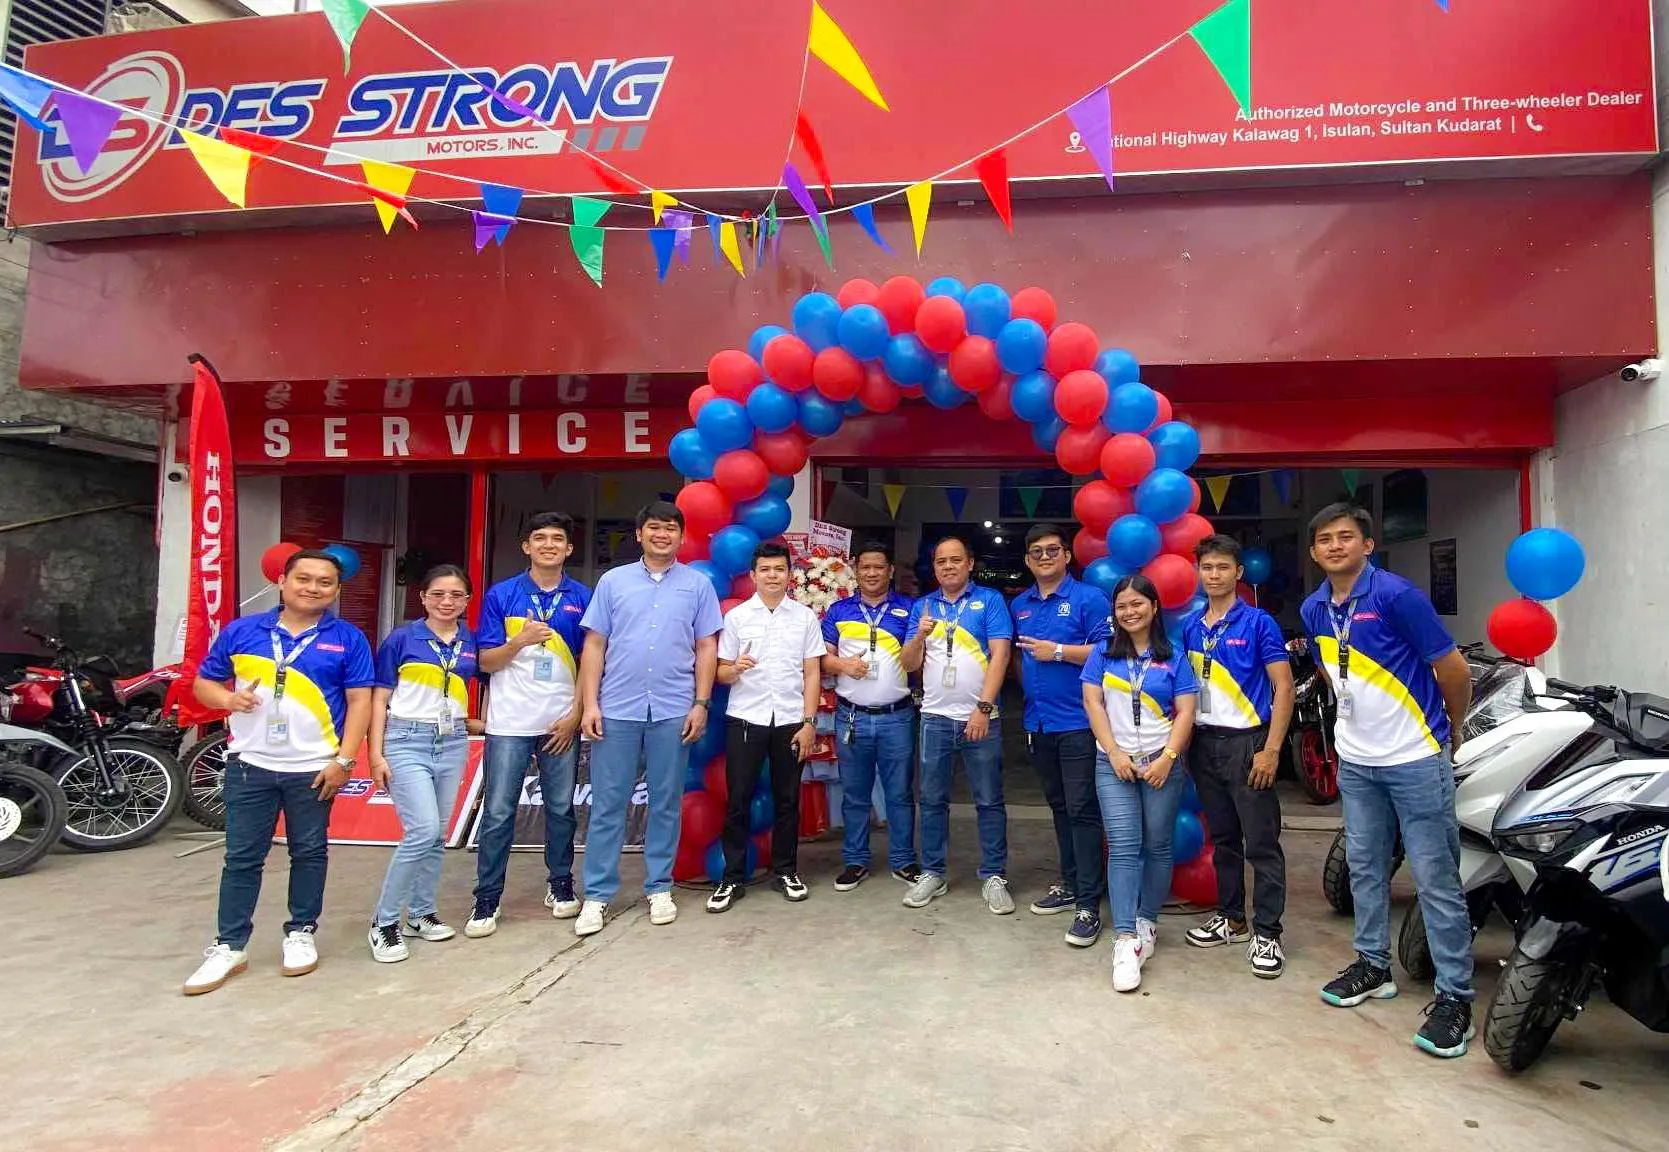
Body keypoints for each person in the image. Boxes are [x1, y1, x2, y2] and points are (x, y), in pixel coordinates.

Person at [1301, 503, 1475, 1058]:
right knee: (1365, 867)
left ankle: (1455, 998)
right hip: (1356, 761)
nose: (1335, 546)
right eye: (1324, 539)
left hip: (1415, 757)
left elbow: (1454, 670)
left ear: (1368, 545)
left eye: (1345, 536)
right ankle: (1373, 965)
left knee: (1435, 877)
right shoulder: (1312, 608)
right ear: (1314, 553)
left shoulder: (1398, 597)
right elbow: (1333, 672)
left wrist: (1451, 728)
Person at [181, 549, 375, 995]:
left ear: (337, 590)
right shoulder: (243, 630)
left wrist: (345, 761)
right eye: (303, 578)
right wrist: (227, 700)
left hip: (314, 768)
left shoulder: (348, 639)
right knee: (242, 858)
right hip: (250, 765)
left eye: (324, 582)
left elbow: (360, 701)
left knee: (309, 853)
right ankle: (230, 946)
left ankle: (301, 932)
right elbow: (204, 683)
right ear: (282, 582)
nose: (312, 588)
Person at [576, 501, 722, 936]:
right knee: (608, 804)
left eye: (671, 528)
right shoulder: (613, 582)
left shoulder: (697, 585)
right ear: (639, 534)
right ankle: (597, 895)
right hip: (616, 708)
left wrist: (701, 703)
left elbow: (707, 647)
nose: (662, 535)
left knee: (665, 802)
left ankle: (659, 886)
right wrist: (590, 704)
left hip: (674, 709)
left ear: (681, 536)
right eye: (654, 528)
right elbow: (594, 645)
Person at [465, 512, 592, 939]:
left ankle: (560, 884)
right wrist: (518, 641)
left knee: (560, 808)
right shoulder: (502, 595)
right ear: (526, 546)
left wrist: (576, 715)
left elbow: (591, 662)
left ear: (569, 549)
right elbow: (485, 661)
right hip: (509, 723)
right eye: (540, 538)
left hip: (560, 721)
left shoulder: (583, 597)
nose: (548, 545)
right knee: (499, 811)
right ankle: (487, 898)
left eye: (557, 539)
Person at [1180, 535, 1295, 978]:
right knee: (1224, 840)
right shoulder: (1192, 626)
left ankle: (1268, 932)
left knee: (1262, 844)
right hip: (1204, 743)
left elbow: (1283, 687)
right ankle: (1232, 919)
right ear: (1199, 573)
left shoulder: (1259, 623)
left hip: (1249, 744)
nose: (1214, 575)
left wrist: (1271, 749)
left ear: (1238, 573)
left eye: (1223, 567)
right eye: (1207, 567)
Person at [1082, 574, 1198, 993]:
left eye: (1137, 604)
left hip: (1161, 764)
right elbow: (1093, 702)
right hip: (1113, 764)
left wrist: (1168, 758)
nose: (1129, 612)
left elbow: (1186, 711)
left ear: (1154, 607)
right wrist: (1114, 752)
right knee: (1124, 846)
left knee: (1159, 845)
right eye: (1122, 606)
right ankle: (1125, 938)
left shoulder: (1174, 656)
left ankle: (1148, 921)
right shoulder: (1102, 653)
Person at [364, 565, 478, 963]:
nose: (447, 602)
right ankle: (384, 921)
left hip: (453, 740)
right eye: (438, 594)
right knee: (421, 830)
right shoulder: (402, 638)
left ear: (467, 600)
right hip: (405, 740)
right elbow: (380, 697)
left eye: (457, 595)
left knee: (436, 834)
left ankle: (421, 912)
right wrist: (375, 753)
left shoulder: (470, 640)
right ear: (423, 598)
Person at [706, 541, 825, 912]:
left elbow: (812, 673)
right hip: (746, 718)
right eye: (765, 570)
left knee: (787, 799)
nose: (772, 576)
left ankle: (786, 870)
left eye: (779, 569)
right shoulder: (737, 618)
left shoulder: (804, 617)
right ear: (753, 575)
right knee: (738, 798)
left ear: (789, 575)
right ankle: (732, 877)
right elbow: (720, 672)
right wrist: (735, 669)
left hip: (790, 720)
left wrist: (809, 722)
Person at [899, 535, 1014, 914]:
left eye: (955, 560)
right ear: (934, 568)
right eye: (941, 561)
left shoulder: (990, 601)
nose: (948, 566)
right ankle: (933, 872)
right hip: (934, 717)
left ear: (970, 563)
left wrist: (983, 707)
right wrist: (919, 635)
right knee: (932, 800)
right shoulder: (923, 606)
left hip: (981, 717)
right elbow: (909, 663)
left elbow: (1001, 655)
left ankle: (994, 875)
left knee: (988, 800)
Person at [1011, 524, 1112, 946]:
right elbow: (1019, 660)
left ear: (1068, 556)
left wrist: (1056, 652)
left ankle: (1089, 903)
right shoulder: (1020, 604)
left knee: (1083, 810)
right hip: (1039, 724)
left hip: (1079, 724)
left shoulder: (1089, 598)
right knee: (1059, 808)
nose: (1045, 557)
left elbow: (1110, 649)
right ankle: (1071, 883)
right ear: (1027, 560)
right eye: (1036, 551)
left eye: (1053, 550)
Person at [822, 541, 919, 891]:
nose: (872, 573)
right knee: (855, 793)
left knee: (900, 793)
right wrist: (843, 665)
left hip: (897, 716)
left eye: (879, 567)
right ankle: (855, 861)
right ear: (855, 570)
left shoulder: (909, 608)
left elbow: (916, 661)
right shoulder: (838, 611)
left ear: (890, 570)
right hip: (852, 717)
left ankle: (903, 860)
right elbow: (822, 659)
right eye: (865, 567)